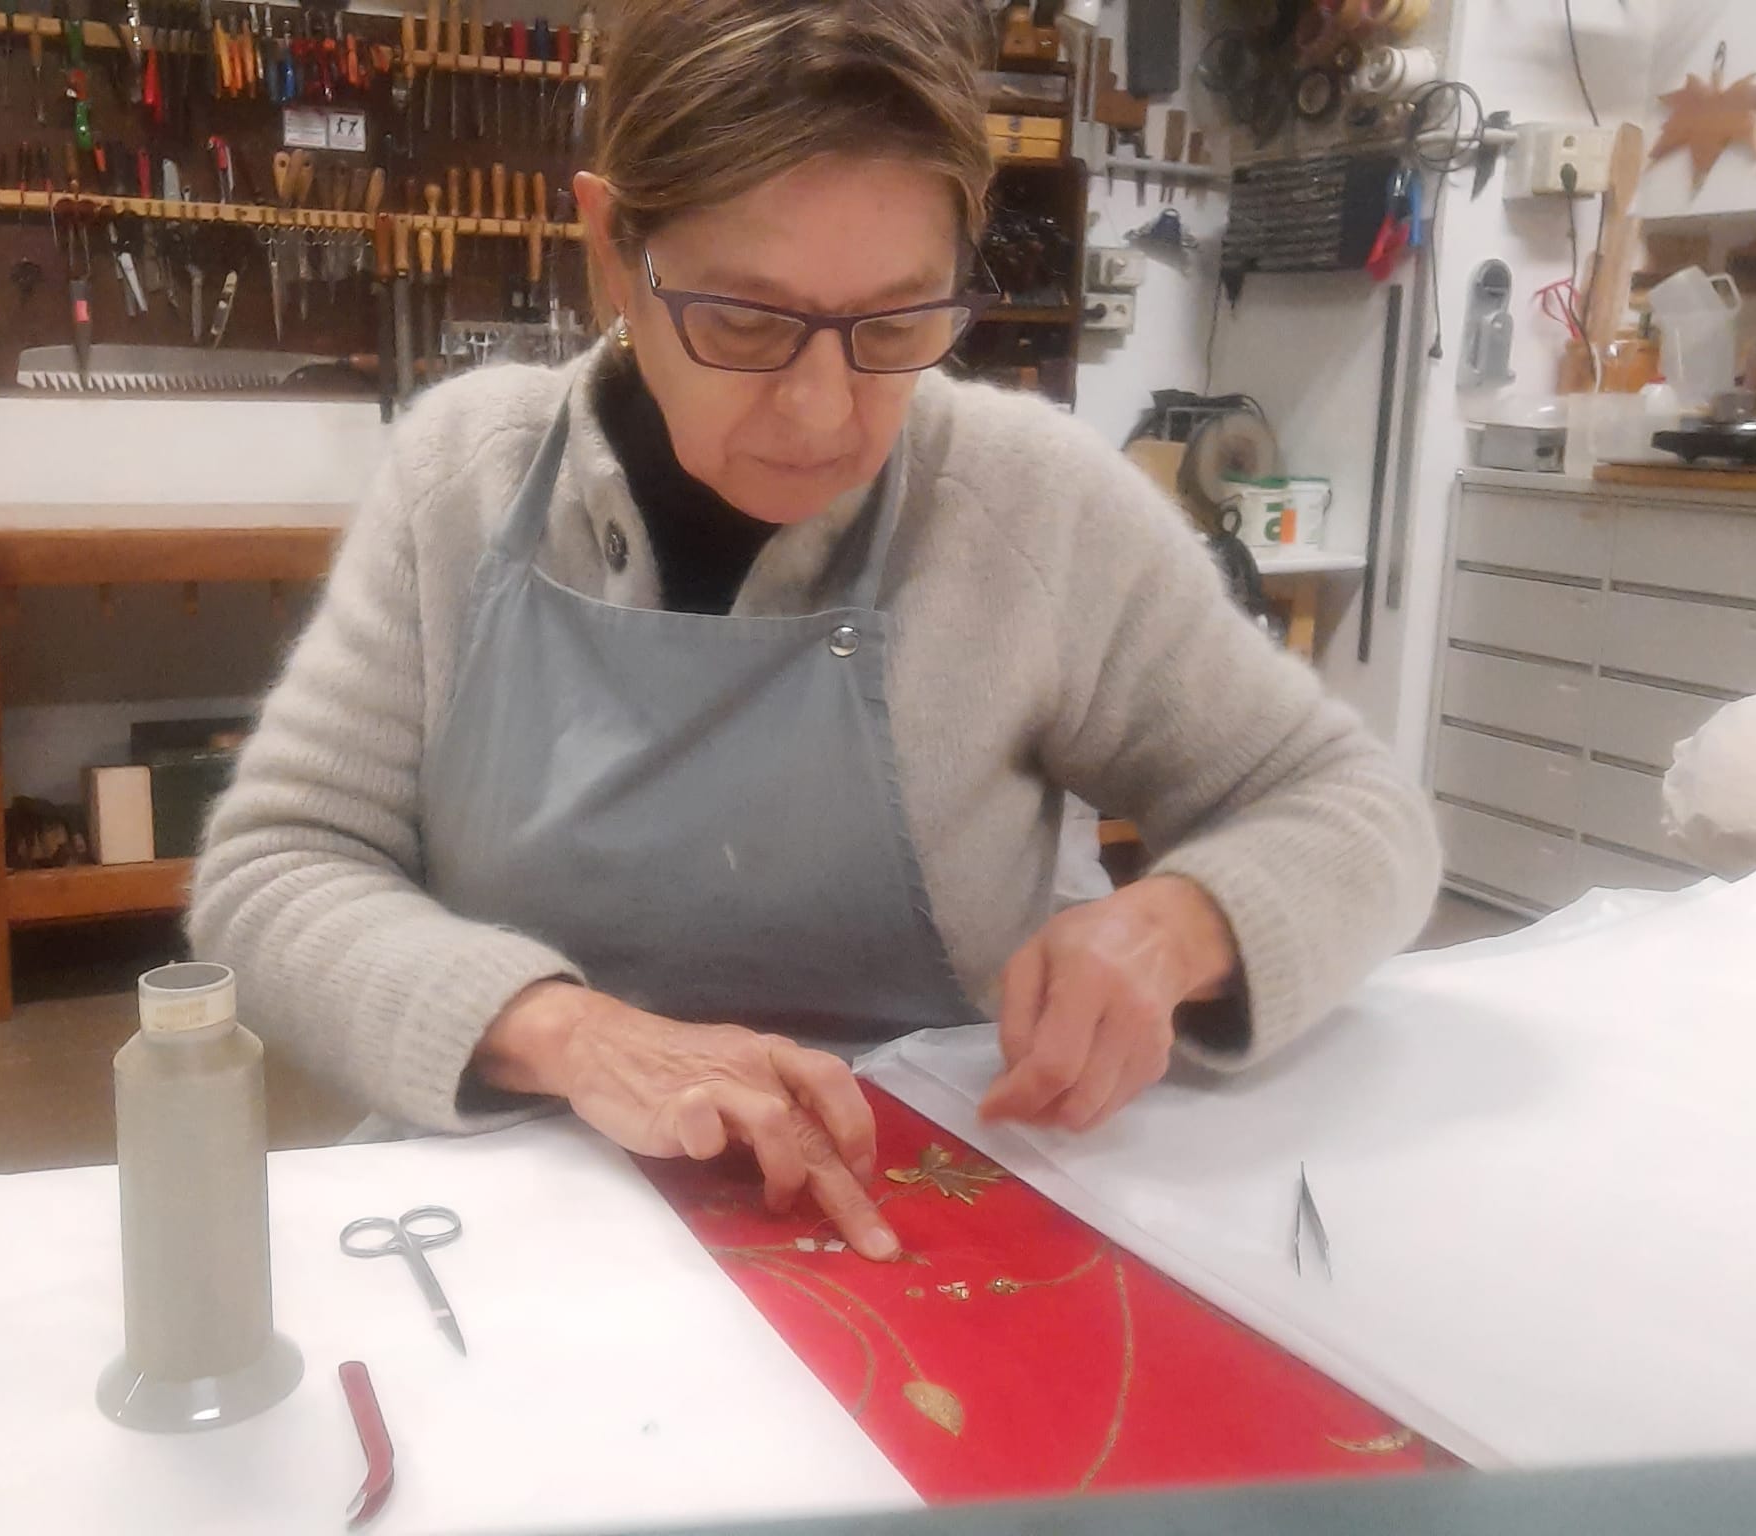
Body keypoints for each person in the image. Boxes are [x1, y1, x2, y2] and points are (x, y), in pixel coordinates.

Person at [190, 0, 1439, 1262]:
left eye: (893, 325)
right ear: (612, 251)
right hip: (518, 1231)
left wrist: (1179, 927)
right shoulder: (465, 480)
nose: (821, 410)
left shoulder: (1029, 503)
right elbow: (276, 870)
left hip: (925, 1221)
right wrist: (562, 1033)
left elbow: (1352, 811)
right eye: (743, 321)